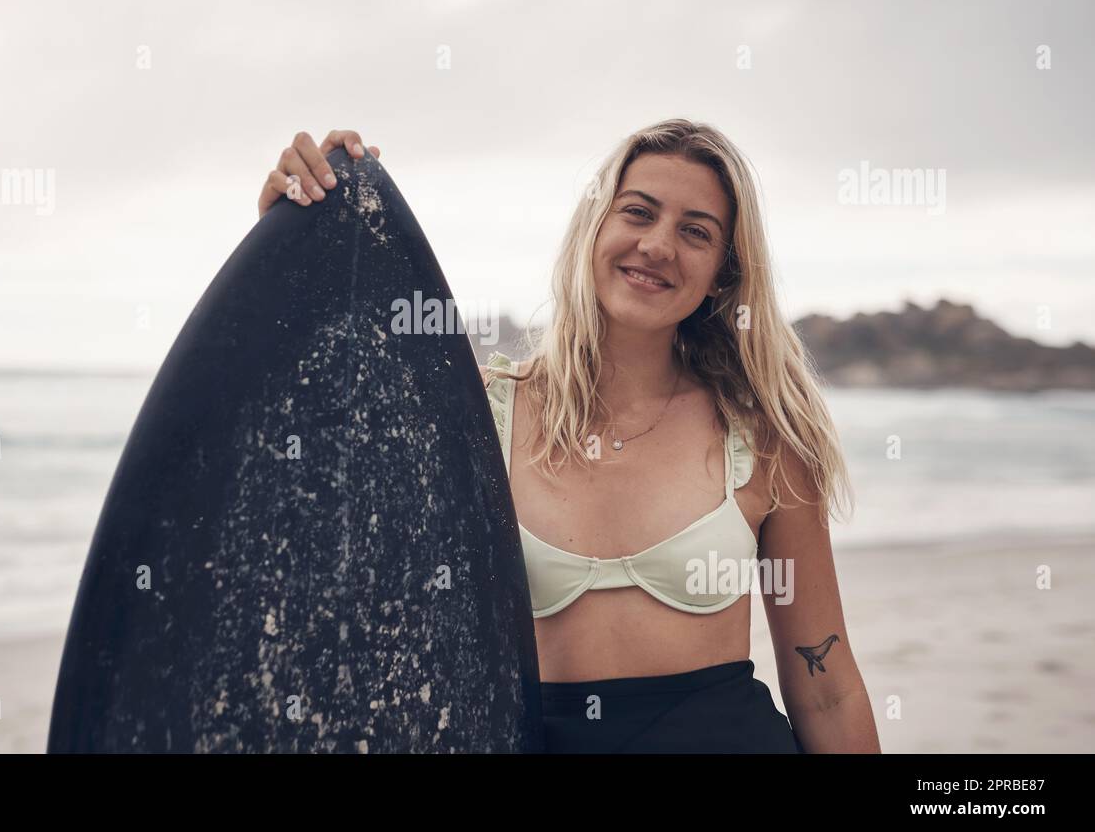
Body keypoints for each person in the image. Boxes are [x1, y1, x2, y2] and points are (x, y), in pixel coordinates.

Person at [257, 122, 881, 753]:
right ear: (595, 227)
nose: (658, 245)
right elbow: (311, 435)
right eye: (638, 212)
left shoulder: (762, 439)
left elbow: (827, 690)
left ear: (723, 272)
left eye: (696, 232)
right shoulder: (480, 417)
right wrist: (291, 234)